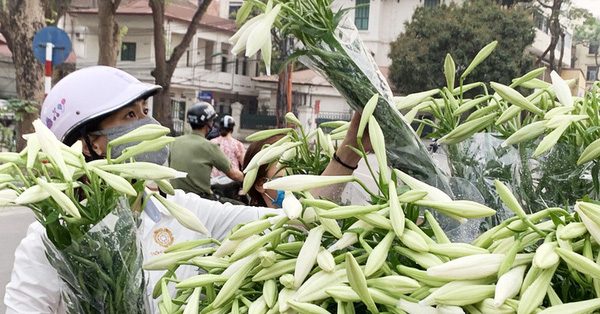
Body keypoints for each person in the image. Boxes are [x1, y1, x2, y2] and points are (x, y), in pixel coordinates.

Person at [4, 66, 368, 313]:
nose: (150, 124)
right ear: (89, 143)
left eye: (145, 111)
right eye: (130, 116)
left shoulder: (179, 209)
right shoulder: (50, 241)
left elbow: (295, 221)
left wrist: (348, 155)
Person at [243, 113, 370, 208]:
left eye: (297, 160)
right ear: (261, 184)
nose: (297, 169)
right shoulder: (259, 224)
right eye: (286, 162)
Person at [169, 103, 244, 199]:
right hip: (201, 199)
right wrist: (249, 179)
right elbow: (234, 175)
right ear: (208, 123)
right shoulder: (210, 146)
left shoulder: (175, 142)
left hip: (176, 197)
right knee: (238, 205)